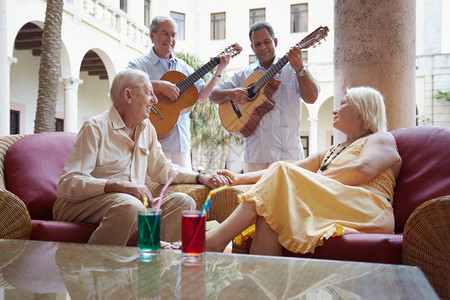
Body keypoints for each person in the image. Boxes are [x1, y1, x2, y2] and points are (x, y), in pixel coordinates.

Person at [206, 86, 402, 256]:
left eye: (342, 103)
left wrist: (307, 182)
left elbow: (363, 169)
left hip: (368, 209)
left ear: (360, 110)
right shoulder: (333, 150)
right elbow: (289, 170)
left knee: (282, 175)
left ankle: (215, 240)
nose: (335, 109)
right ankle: (262, 288)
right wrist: (238, 178)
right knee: (270, 216)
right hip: (335, 203)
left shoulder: (380, 138)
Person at [53, 69, 228, 246]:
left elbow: (163, 169)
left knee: (183, 202)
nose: (155, 99)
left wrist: (200, 177)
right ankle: (99, 270)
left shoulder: (147, 128)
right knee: (131, 205)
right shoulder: (95, 127)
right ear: (128, 96)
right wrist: (116, 185)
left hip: (130, 204)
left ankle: (160, 264)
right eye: (149, 93)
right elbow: (68, 184)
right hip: (79, 205)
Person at [209, 21, 320, 172]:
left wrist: (300, 69)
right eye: (257, 44)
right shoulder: (244, 74)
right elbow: (212, 95)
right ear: (252, 47)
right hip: (254, 157)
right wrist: (232, 93)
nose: (263, 47)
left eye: (267, 42)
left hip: (288, 156)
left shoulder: (293, 68)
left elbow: (312, 98)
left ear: (275, 42)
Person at [128, 15, 230, 169]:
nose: (170, 39)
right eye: (165, 33)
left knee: (181, 191)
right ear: (152, 36)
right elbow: (126, 83)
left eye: (173, 35)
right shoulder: (139, 64)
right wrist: (160, 86)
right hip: (150, 144)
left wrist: (218, 71)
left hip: (181, 145)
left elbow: (202, 96)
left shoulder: (184, 68)